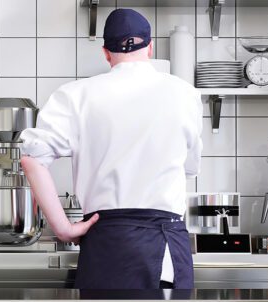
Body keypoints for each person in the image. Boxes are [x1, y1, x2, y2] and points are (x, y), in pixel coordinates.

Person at [18, 8, 203, 289]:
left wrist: (64, 228)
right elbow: (190, 168)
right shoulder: (186, 94)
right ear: (150, 47)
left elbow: (31, 159)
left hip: (106, 243)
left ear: (106, 53)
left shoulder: (75, 95)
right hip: (166, 246)